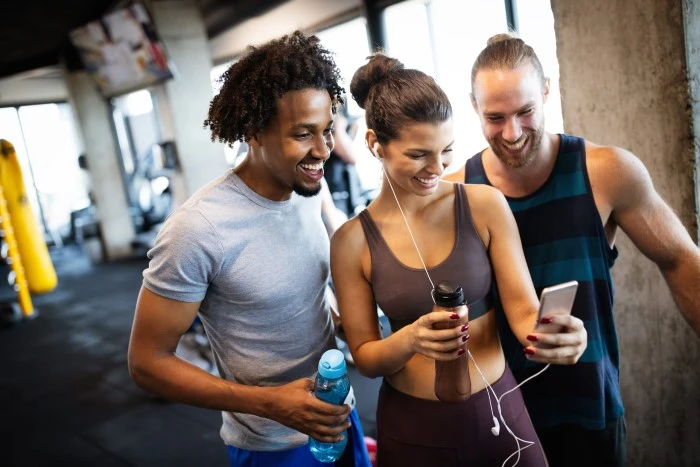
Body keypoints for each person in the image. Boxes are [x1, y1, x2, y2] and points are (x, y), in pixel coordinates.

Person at [445, 33, 700, 467]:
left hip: (589, 412)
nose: (512, 133)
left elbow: (681, 262)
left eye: (525, 111)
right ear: (474, 108)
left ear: (547, 91)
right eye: (495, 117)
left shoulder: (606, 172)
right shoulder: (454, 192)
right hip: (497, 419)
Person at [330, 52, 588, 467]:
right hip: (413, 431)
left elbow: (523, 310)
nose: (437, 168)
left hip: (501, 414)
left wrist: (555, 336)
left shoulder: (484, 205)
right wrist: (411, 339)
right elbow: (365, 356)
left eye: (446, 150)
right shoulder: (351, 242)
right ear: (375, 143)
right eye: (418, 154)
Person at [128, 31, 370, 467]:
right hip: (272, 446)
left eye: (327, 130)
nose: (323, 150)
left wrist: (345, 319)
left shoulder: (310, 187)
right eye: (303, 134)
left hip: (338, 414)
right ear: (254, 132)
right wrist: (269, 403)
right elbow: (146, 363)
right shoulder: (197, 229)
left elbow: (306, 290)